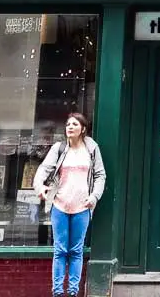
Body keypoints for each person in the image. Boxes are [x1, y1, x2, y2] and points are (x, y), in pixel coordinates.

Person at [33, 113, 106, 297]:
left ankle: (73, 292)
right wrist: (39, 186)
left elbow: (100, 175)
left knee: (76, 251)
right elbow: (44, 169)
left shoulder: (91, 148)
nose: (70, 127)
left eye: (74, 124)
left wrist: (94, 197)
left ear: (83, 129)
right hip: (60, 206)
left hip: (83, 207)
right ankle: (58, 292)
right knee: (60, 251)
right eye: (68, 124)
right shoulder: (59, 148)